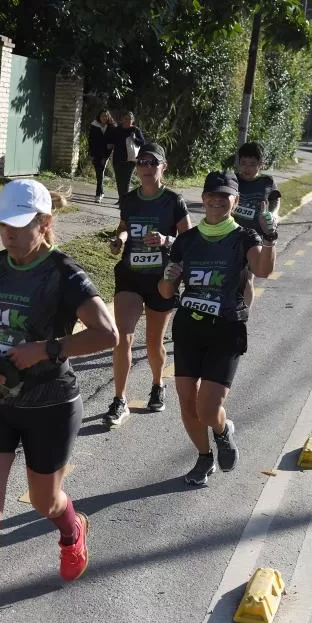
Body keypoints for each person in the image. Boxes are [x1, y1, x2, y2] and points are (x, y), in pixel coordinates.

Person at [0, 179, 119, 623]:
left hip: (50, 406)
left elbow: (108, 334)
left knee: (45, 501)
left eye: (19, 226)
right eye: (3, 225)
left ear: (45, 223)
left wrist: (47, 348)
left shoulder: (65, 274)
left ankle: (71, 526)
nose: (9, 234)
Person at [157, 170, 276, 486]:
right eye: (212, 195)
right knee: (185, 399)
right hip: (189, 328)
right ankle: (204, 457)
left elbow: (262, 270)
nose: (217, 201)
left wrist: (270, 238)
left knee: (208, 409)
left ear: (235, 202)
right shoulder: (187, 241)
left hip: (226, 329)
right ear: (204, 198)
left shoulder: (244, 238)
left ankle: (222, 431)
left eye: (226, 196)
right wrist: (169, 276)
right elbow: (166, 293)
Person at [104, 142, 191, 427]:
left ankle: (157, 384)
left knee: (154, 343)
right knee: (123, 338)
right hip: (130, 276)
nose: (146, 167)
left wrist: (167, 241)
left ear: (163, 167)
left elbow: (190, 242)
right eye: (142, 162)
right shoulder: (129, 200)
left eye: (153, 163)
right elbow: (124, 227)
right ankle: (120, 399)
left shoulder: (174, 201)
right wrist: (120, 241)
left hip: (161, 279)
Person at [232, 141, 282, 307]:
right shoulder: (233, 180)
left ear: (261, 164)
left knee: (248, 279)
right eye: (244, 163)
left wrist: (273, 215)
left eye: (252, 164)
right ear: (238, 162)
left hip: (255, 238)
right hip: (232, 236)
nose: (247, 168)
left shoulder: (266, 182)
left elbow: (275, 200)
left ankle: (244, 314)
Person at [110, 111, 145, 202]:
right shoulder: (118, 129)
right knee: (119, 181)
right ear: (122, 119)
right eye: (126, 119)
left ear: (133, 120)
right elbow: (112, 140)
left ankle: (124, 201)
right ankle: (121, 199)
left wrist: (134, 138)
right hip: (117, 159)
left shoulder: (135, 130)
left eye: (130, 119)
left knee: (126, 181)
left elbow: (142, 143)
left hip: (130, 160)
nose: (128, 121)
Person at [88, 109, 116, 204]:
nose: (104, 117)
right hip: (96, 153)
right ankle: (101, 192)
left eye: (106, 116)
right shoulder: (94, 126)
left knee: (100, 173)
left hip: (105, 153)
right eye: (102, 116)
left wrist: (106, 157)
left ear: (108, 117)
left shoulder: (111, 127)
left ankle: (98, 195)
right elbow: (90, 141)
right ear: (99, 117)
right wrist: (91, 154)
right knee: (99, 174)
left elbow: (111, 143)